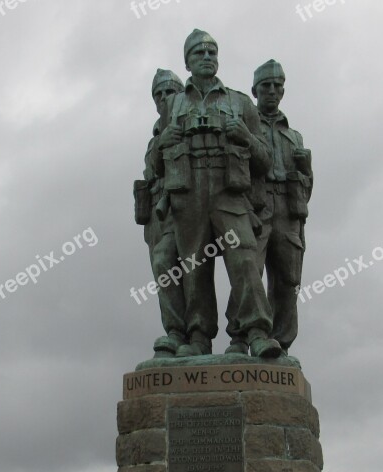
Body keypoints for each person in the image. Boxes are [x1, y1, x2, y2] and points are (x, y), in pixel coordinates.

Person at [150, 30, 282, 358]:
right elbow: (154, 165)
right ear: (188, 62)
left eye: (211, 52)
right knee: (193, 269)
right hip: (188, 192)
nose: (207, 58)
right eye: (199, 54)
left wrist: (247, 139)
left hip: (228, 193)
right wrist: (164, 143)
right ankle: (198, 336)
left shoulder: (240, 102)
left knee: (245, 260)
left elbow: (265, 161)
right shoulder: (173, 104)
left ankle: (256, 332)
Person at [226, 60, 313, 355]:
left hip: (289, 211)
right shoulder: (246, 124)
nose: (272, 91)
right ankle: (239, 336)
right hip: (256, 206)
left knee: (288, 281)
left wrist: (306, 169)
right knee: (248, 269)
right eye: (266, 86)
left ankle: (280, 343)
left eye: (278, 86)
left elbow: (308, 187)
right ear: (254, 90)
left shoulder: (294, 136)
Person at [134, 69, 190, 357]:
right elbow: (152, 171)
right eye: (159, 94)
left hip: (189, 205)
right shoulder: (155, 136)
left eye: (170, 92)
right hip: (159, 212)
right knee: (163, 266)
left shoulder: (191, 122)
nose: (164, 98)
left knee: (192, 270)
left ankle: (196, 335)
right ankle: (175, 331)